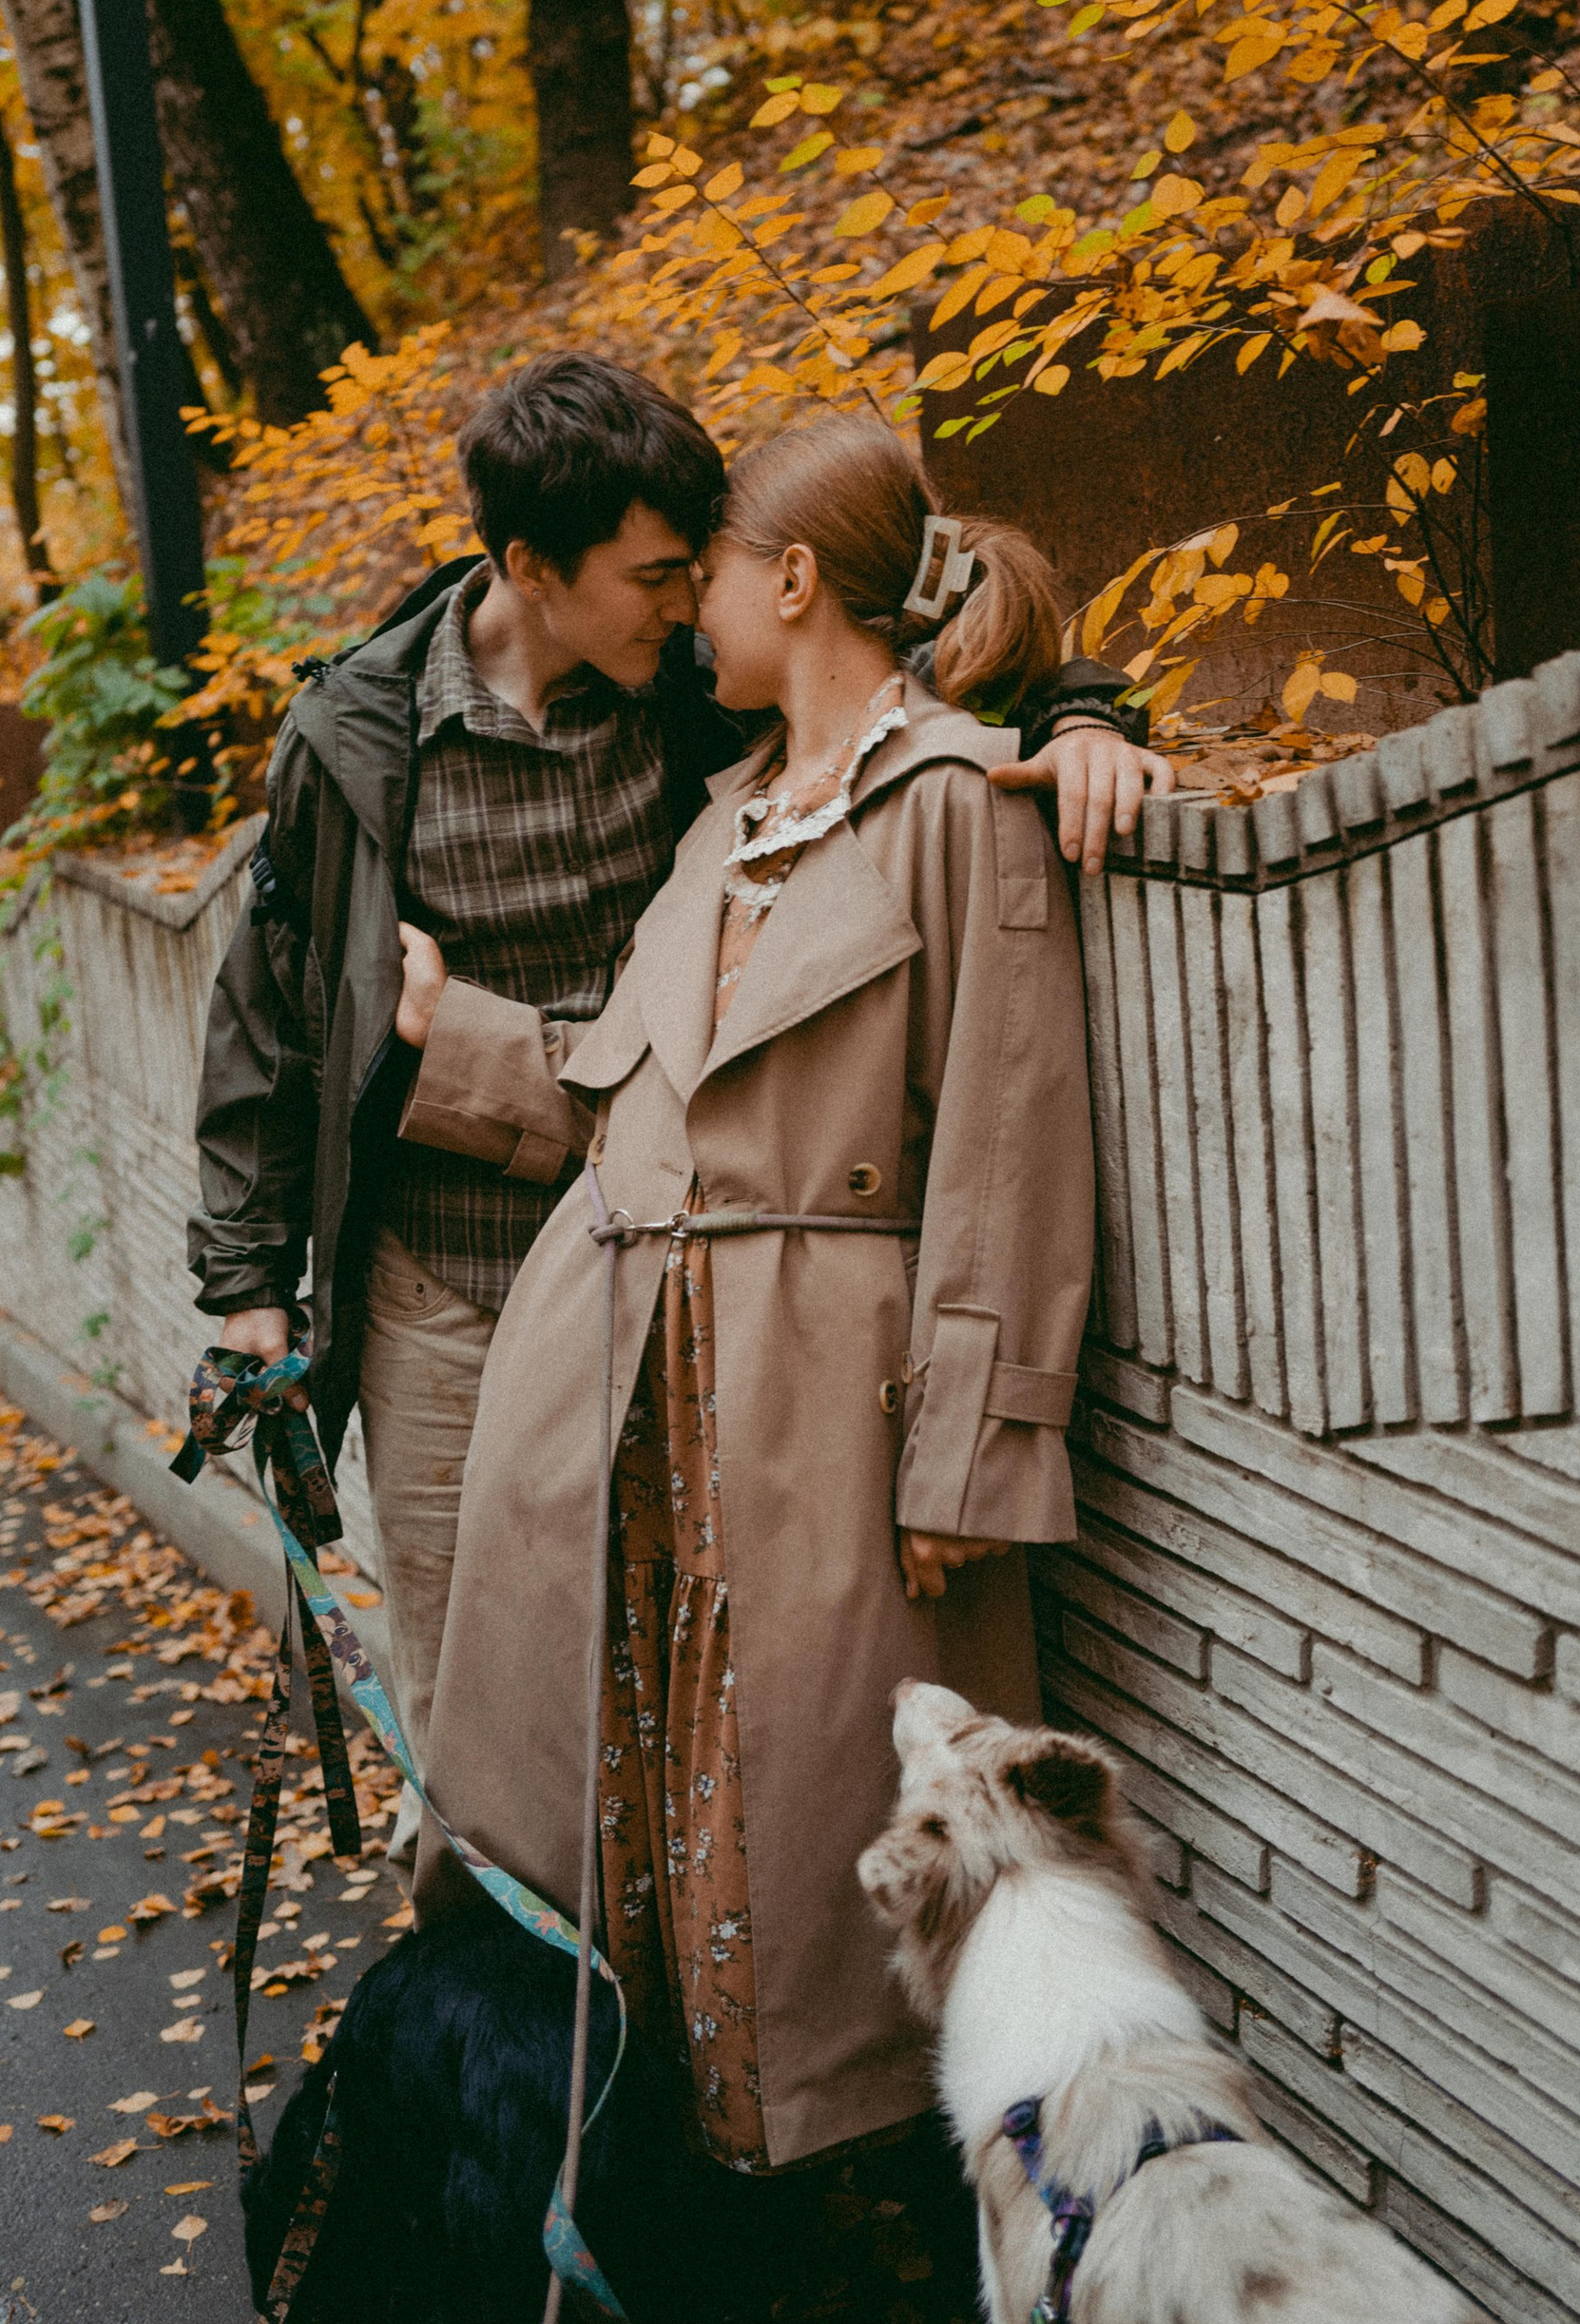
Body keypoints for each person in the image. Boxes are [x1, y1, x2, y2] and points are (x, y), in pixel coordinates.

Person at [188, 354, 1163, 1772]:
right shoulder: (358, 735)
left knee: (660, 1700)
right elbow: (266, 1014)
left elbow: (905, 654)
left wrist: (1085, 718)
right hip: (441, 1282)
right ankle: (465, 1920)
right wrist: (246, 1283)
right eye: (655, 575)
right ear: (531, 565)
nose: (686, 599)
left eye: (698, 569)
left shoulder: (694, 697)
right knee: (474, 1702)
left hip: (658, 1272)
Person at [411, 413, 1096, 2173]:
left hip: (813, 1409)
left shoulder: (959, 803)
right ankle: (688, 2183)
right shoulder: (728, 818)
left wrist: (971, 1453)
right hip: (635, 1397)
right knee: (658, 1803)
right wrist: (441, 1038)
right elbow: (640, 1104)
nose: (686, 612)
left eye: (706, 571)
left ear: (790, 580)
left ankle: (839, 2209)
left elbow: (1011, 1142)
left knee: (806, 1829)